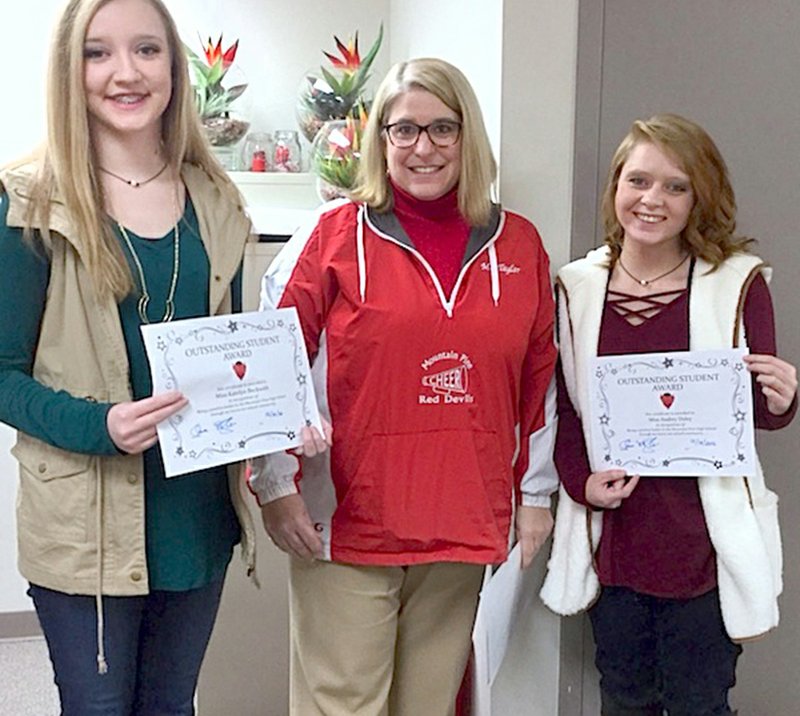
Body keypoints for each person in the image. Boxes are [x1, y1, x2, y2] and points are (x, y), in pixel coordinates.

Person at [249, 57, 558, 716]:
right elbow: (269, 366)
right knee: (346, 705)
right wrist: (275, 487)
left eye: (443, 129)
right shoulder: (329, 237)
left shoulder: (521, 245)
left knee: (427, 705)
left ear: (468, 136)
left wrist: (534, 496)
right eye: (404, 130)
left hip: (463, 515)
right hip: (349, 520)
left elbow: (541, 383)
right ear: (379, 139)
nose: (424, 148)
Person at [0, 0, 256, 712]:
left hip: (196, 516)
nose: (125, 72)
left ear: (174, 66)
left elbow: (234, 347)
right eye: (97, 52)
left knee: (172, 707)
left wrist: (276, 411)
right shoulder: (28, 202)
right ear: (68, 70)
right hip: (87, 524)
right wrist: (100, 425)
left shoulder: (218, 199)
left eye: (146, 49)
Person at [540, 113, 798, 716]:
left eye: (675, 186)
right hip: (620, 542)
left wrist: (782, 400)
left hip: (703, 544)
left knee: (701, 704)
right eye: (638, 181)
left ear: (698, 198)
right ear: (615, 189)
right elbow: (566, 414)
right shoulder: (575, 289)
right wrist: (582, 483)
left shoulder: (737, 283)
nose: (651, 200)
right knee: (624, 701)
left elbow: (757, 411)